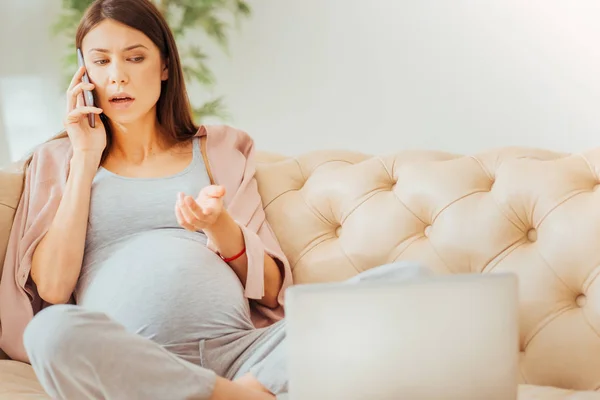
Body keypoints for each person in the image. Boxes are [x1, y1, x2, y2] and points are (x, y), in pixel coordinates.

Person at [0, 1, 431, 399]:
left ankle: (232, 389)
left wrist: (218, 226)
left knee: (407, 280)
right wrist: (86, 156)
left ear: (165, 65)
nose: (117, 76)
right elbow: (54, 289)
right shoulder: (59, 158)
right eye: (100, 61)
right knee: (51, 332)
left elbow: (272, 288)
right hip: (133, 362)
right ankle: (239, 396)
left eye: (135, 57)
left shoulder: (221, 148)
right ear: (83, 73)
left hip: (245, 353)